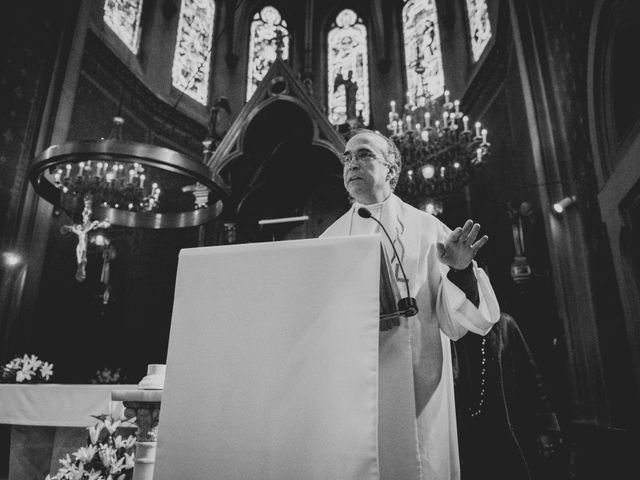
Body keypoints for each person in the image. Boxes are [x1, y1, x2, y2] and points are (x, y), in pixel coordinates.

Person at [321, 129, 500, 479]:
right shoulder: (328, 241)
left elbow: (460, 323)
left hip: (421, 387)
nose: (352, 164)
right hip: (354, 391)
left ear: (391, 168)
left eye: (364, 155)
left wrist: (461, 271)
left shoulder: (429, 230)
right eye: (347, 157)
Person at [452, 312, 563, 480]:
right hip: (471, 437)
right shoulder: (450, 334)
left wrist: (545, 428)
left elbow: (530, 378)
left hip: (510, 427)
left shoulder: (504, 325)